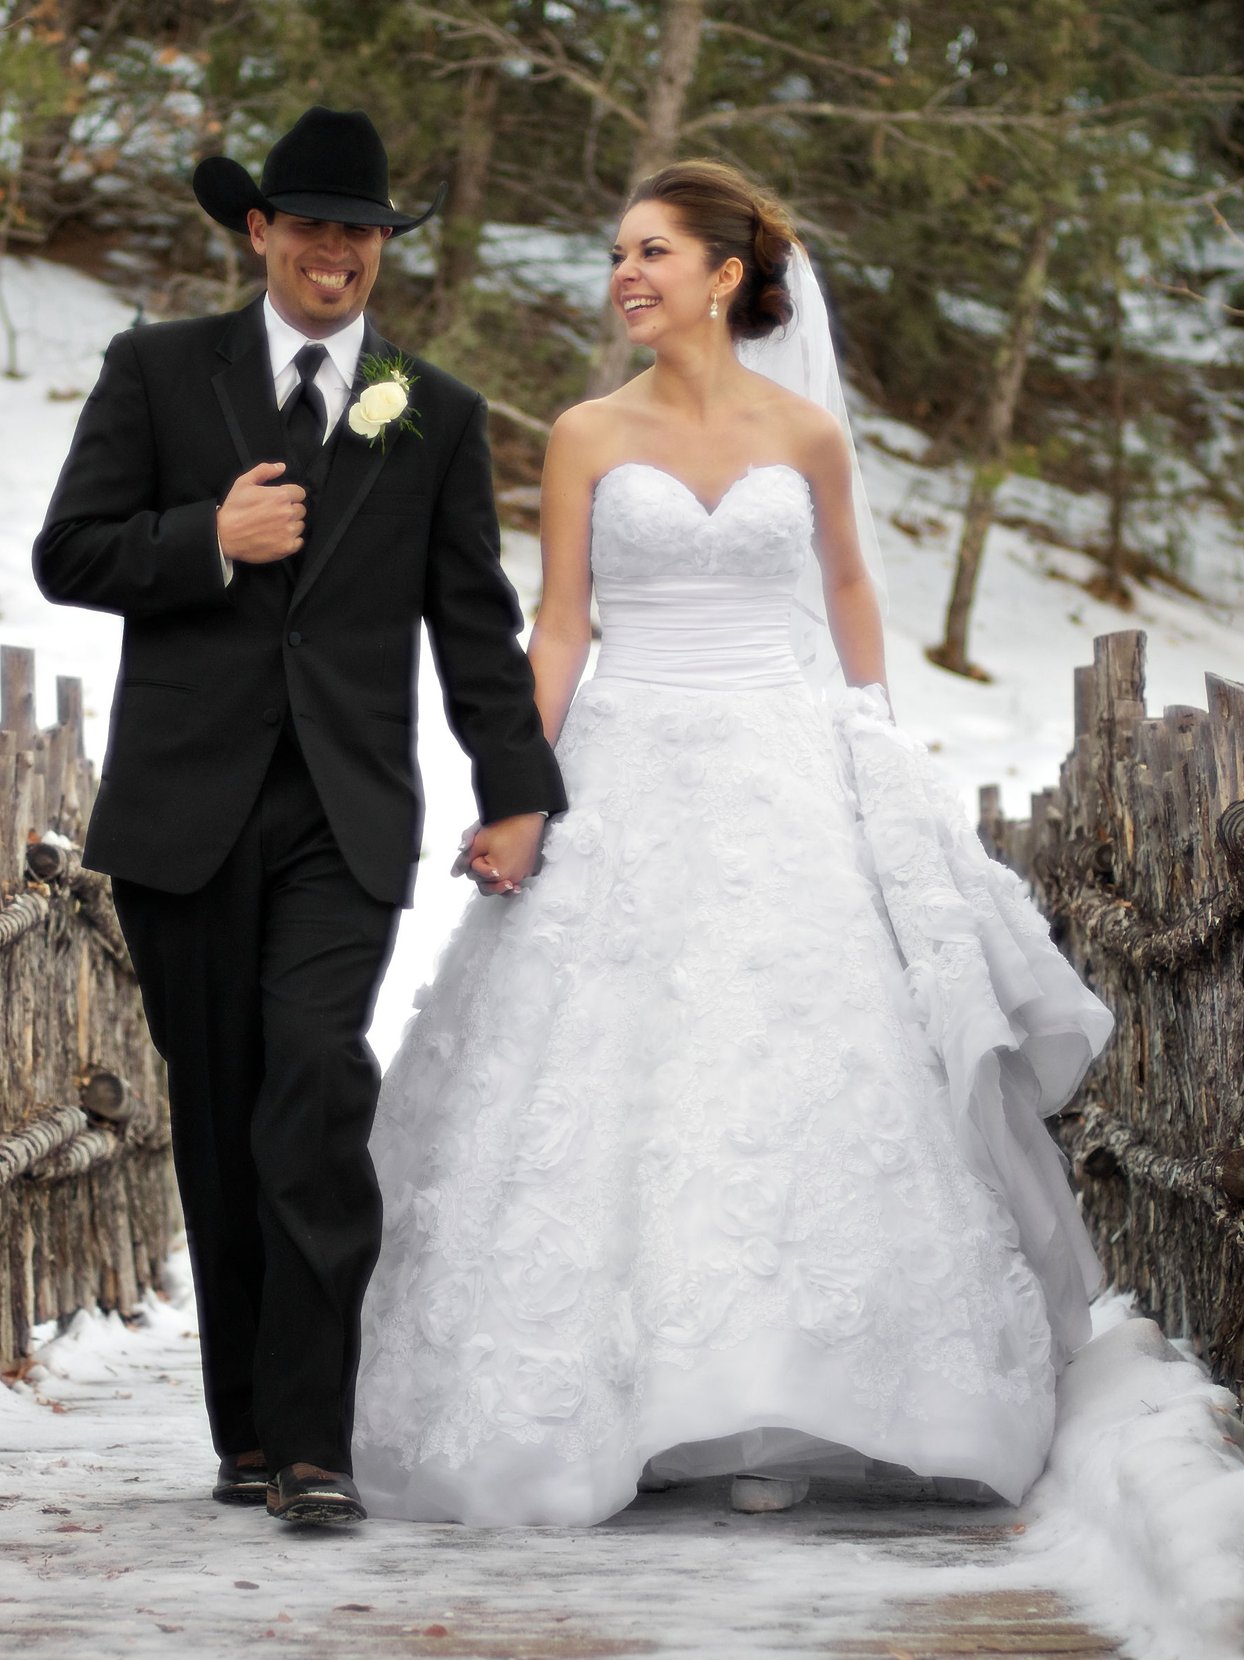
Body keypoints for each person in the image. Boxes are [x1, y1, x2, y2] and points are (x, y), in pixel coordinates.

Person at [352, 159, 1115, 1527]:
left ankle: (788, 1399)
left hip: (781, 759)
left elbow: (844, 593)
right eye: (615, 256)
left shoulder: (807, 437)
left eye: (653, 252)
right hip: (625, 762)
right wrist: (519, 789)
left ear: (726, 275)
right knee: (603, 1075)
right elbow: (566, 623)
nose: (626, 276)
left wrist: (871, 749)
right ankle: (621, 1406)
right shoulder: (587, 431)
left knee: (790, 1065)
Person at [33, 107, 565, 1527]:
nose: (339, 252)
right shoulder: (156, 373)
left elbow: (474, 622)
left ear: (383, 249)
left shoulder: (435, 414)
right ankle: (249, 1434)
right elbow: (66, 553)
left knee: (318, 1085)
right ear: (260, 232)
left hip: (348, 812)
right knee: (217, 1124)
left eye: (363, 232)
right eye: (313, 225)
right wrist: (206, 536)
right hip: (182, 818)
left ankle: (318, 1443)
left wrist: (515, 791)